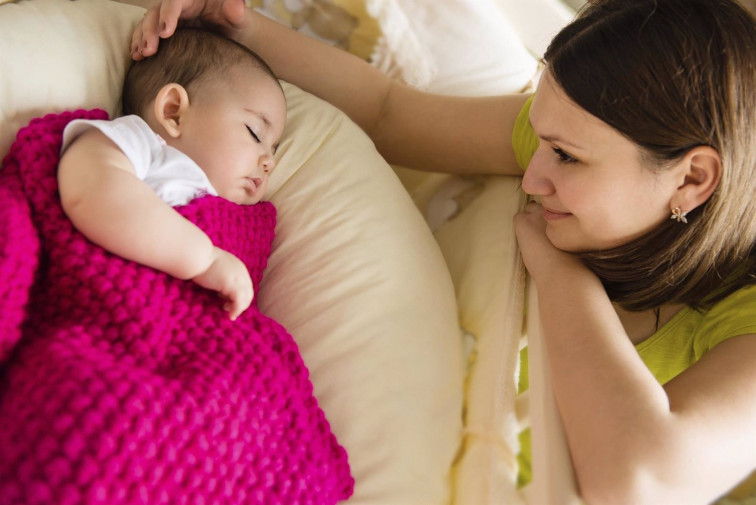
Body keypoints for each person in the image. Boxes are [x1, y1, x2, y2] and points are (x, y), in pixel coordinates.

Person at [132, 0, 756, 503]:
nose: (533, 179)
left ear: (693, 179)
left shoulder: (743, 313)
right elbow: (390, 112)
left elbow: (638, 479)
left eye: (565, 157)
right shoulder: (579, 129)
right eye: (537, 138)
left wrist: (557, 267)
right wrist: (235, 23)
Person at [59, 26, 286, 321]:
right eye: (255, 133)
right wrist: (204, 260)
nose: (268, 161)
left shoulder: (245, 221)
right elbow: (91, 189)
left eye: (274, 151)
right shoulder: (143, 146)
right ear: (173, 111)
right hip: (114, 307)